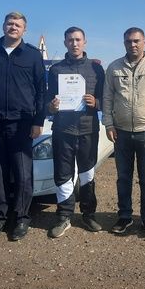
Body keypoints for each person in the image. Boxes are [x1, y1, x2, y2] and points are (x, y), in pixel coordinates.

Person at [0, 11, 45, 241]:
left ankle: (22, 218)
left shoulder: (32, 55)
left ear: (24, 30)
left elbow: (41, 92)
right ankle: (0, 217)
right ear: (3, 26)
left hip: (22, 123)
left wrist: (38, 121)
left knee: (23, 174)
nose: (13, 27)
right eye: (10, 23)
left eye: (18, 25)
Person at [103, 27, 145, 235]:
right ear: (124, 43)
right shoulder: (114, 67)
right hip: (121, 132)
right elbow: (107, 97)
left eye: (136, 41)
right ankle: (124, 216)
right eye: (128, 42)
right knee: (123, 177)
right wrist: (108, 124)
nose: (132, 45)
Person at [46, 27, 105, 238]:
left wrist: (95, 102)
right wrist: (51, 107)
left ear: (85, 42)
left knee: (87, 173)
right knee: (63, 175)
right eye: (70, 40)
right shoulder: (56, 70)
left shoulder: (96, 69)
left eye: (78, 39)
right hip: (63, 130)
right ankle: (64, 216)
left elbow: (105, 100)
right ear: (65, 43)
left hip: (89, 129)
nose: (74, 43)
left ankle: (88, 214)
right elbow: (47, 101)